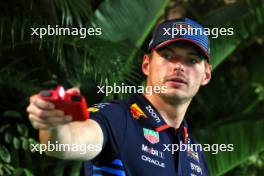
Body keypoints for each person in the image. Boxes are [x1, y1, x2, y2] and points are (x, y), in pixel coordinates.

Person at [26, 18, 212, 176]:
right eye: (168, 56)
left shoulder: (194, 151)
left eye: (192, 60)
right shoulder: (117, 117)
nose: (179, 66)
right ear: (146, 64)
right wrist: (55, 125)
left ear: (206, 75)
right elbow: (68, 143)